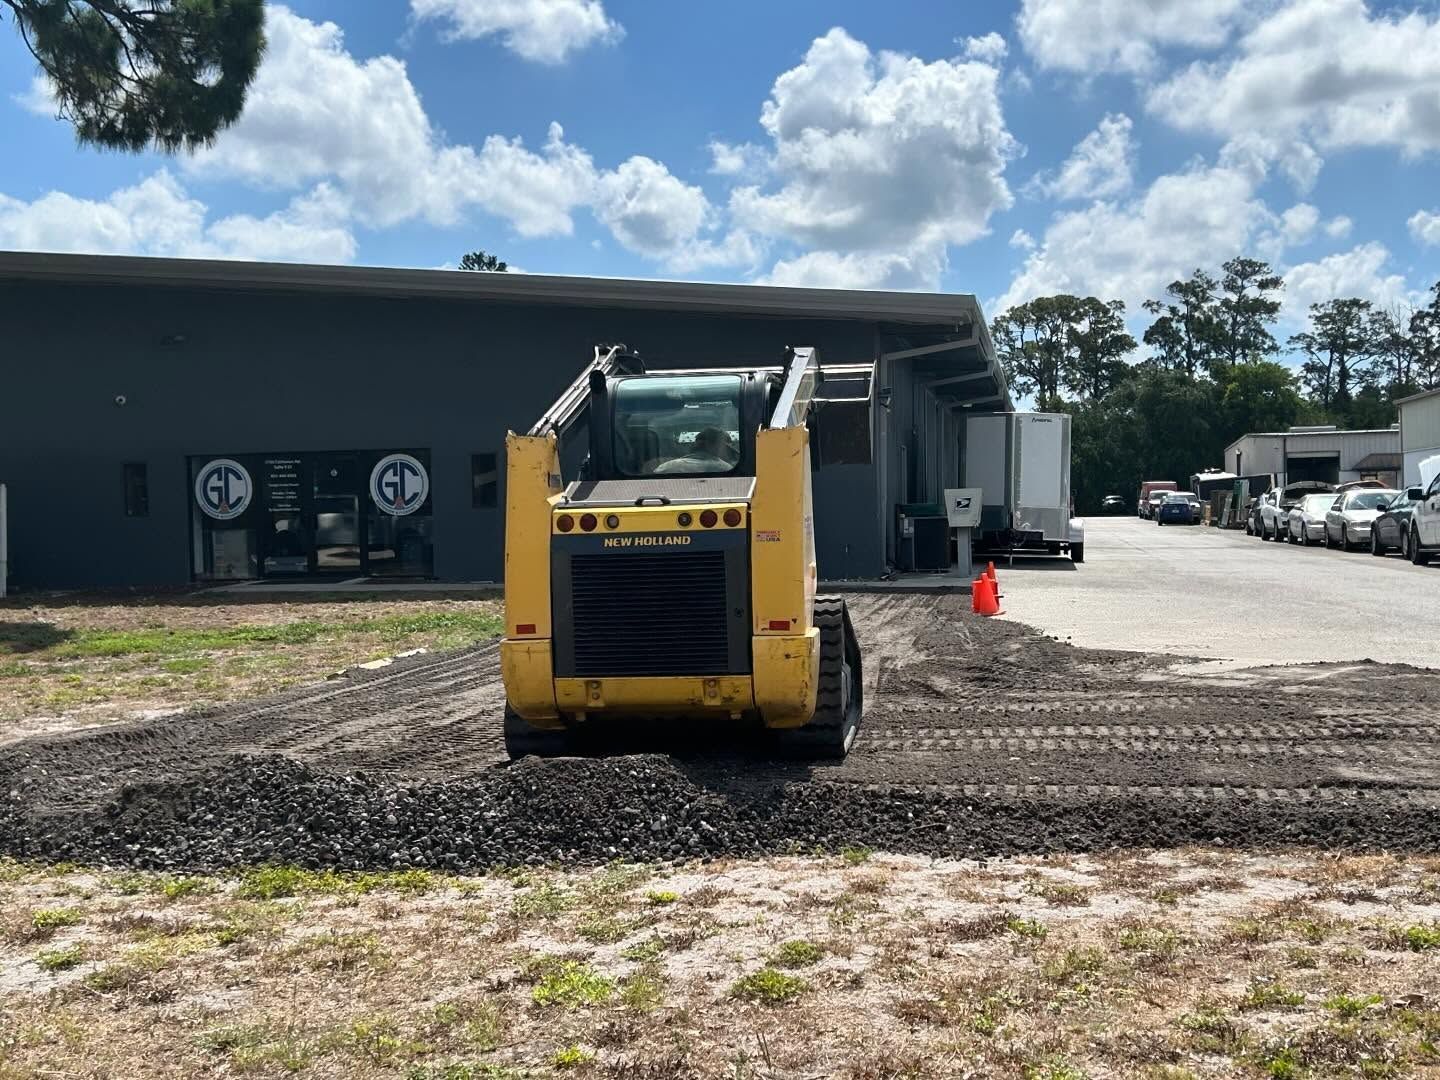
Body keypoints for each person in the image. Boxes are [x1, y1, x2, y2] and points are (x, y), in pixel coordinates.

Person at [654, 427, 735, 473]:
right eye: (727, 449)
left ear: (694, 445)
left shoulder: (665, 467)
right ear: (717, 447)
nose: (729, 453)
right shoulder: (726, 469)